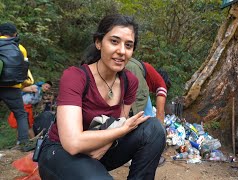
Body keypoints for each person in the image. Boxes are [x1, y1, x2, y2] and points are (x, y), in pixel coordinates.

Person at [38, 14, 166, 180]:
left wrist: (108, 143)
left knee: (154, 129)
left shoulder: (129, 81)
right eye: (114, 41)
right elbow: (73, 142)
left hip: (99, 148)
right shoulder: (76, 77)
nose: (121, 51)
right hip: (60, 152)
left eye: (128, 45)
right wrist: (121, 131)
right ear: (98, 43)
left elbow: (117, 124)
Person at [126, 58, 171, 166]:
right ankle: (148, 155)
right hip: (132, 69)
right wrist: (160, 137)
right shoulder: (161, 85)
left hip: (125, 65)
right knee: (143, 116)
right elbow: (160, 113)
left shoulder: (147, 75)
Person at [0, 22, 34, 152]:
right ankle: (24, 143)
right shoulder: (20, 48)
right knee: (20, 114)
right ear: (14, 34)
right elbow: (23, 69)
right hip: (12, 87)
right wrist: (25, 84)